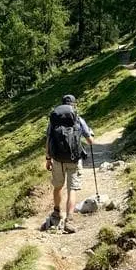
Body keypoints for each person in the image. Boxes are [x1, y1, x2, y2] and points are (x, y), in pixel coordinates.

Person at [44, 93, 94, 233]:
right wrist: (90, 135)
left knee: (58, 187)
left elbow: (48, 141)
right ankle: (69, 220)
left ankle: (56, 213)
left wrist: (48, 159)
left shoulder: (53, 121)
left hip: (58, 159)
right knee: (71, 189)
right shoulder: (78, 119)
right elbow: (90, 141)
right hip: (74, 159)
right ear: (74, 105)